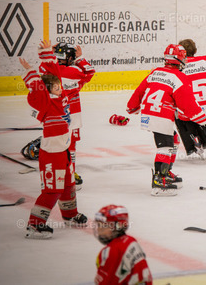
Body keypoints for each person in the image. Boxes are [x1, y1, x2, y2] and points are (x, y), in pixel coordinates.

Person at [20, 40, 87, 239]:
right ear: (47, 91)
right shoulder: (45, 103)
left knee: (68, 185)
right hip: (51, 154)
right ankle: (35, 225)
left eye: (59, 85)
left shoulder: (62, 95)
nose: (60, 87)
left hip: (63, 150)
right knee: (52, 190)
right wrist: (30, 71)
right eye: (56, 87)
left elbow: (54, 71)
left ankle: (70, 215)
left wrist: (47, 53)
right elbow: (37, 88)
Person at [126, 44, 206, 196]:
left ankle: (166, 172)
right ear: (180, 60)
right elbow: (186, 103)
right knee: (165, 147)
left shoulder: (156, 72)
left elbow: (140, 90)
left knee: (174, 140)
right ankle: (160, 179)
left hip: (149, 112)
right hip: (161, 114)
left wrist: (132, 106)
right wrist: (201, 117)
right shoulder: (179, 77)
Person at [39, 42, 95, 190]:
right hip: (73, 116)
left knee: (55, 146)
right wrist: (80, 58)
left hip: (55, 115)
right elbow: (90, 72)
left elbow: (42, 67)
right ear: (70, 58)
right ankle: (70, 174)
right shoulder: (74, 71)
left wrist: (49, 53)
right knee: (71, 146)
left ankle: (55, 174)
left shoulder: (48, 72)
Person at [94, 204, 152, 285]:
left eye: (104, 226)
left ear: (117, 227)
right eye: (98, 225)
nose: (99, 230)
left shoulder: (111, 251)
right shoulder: (131, 240)